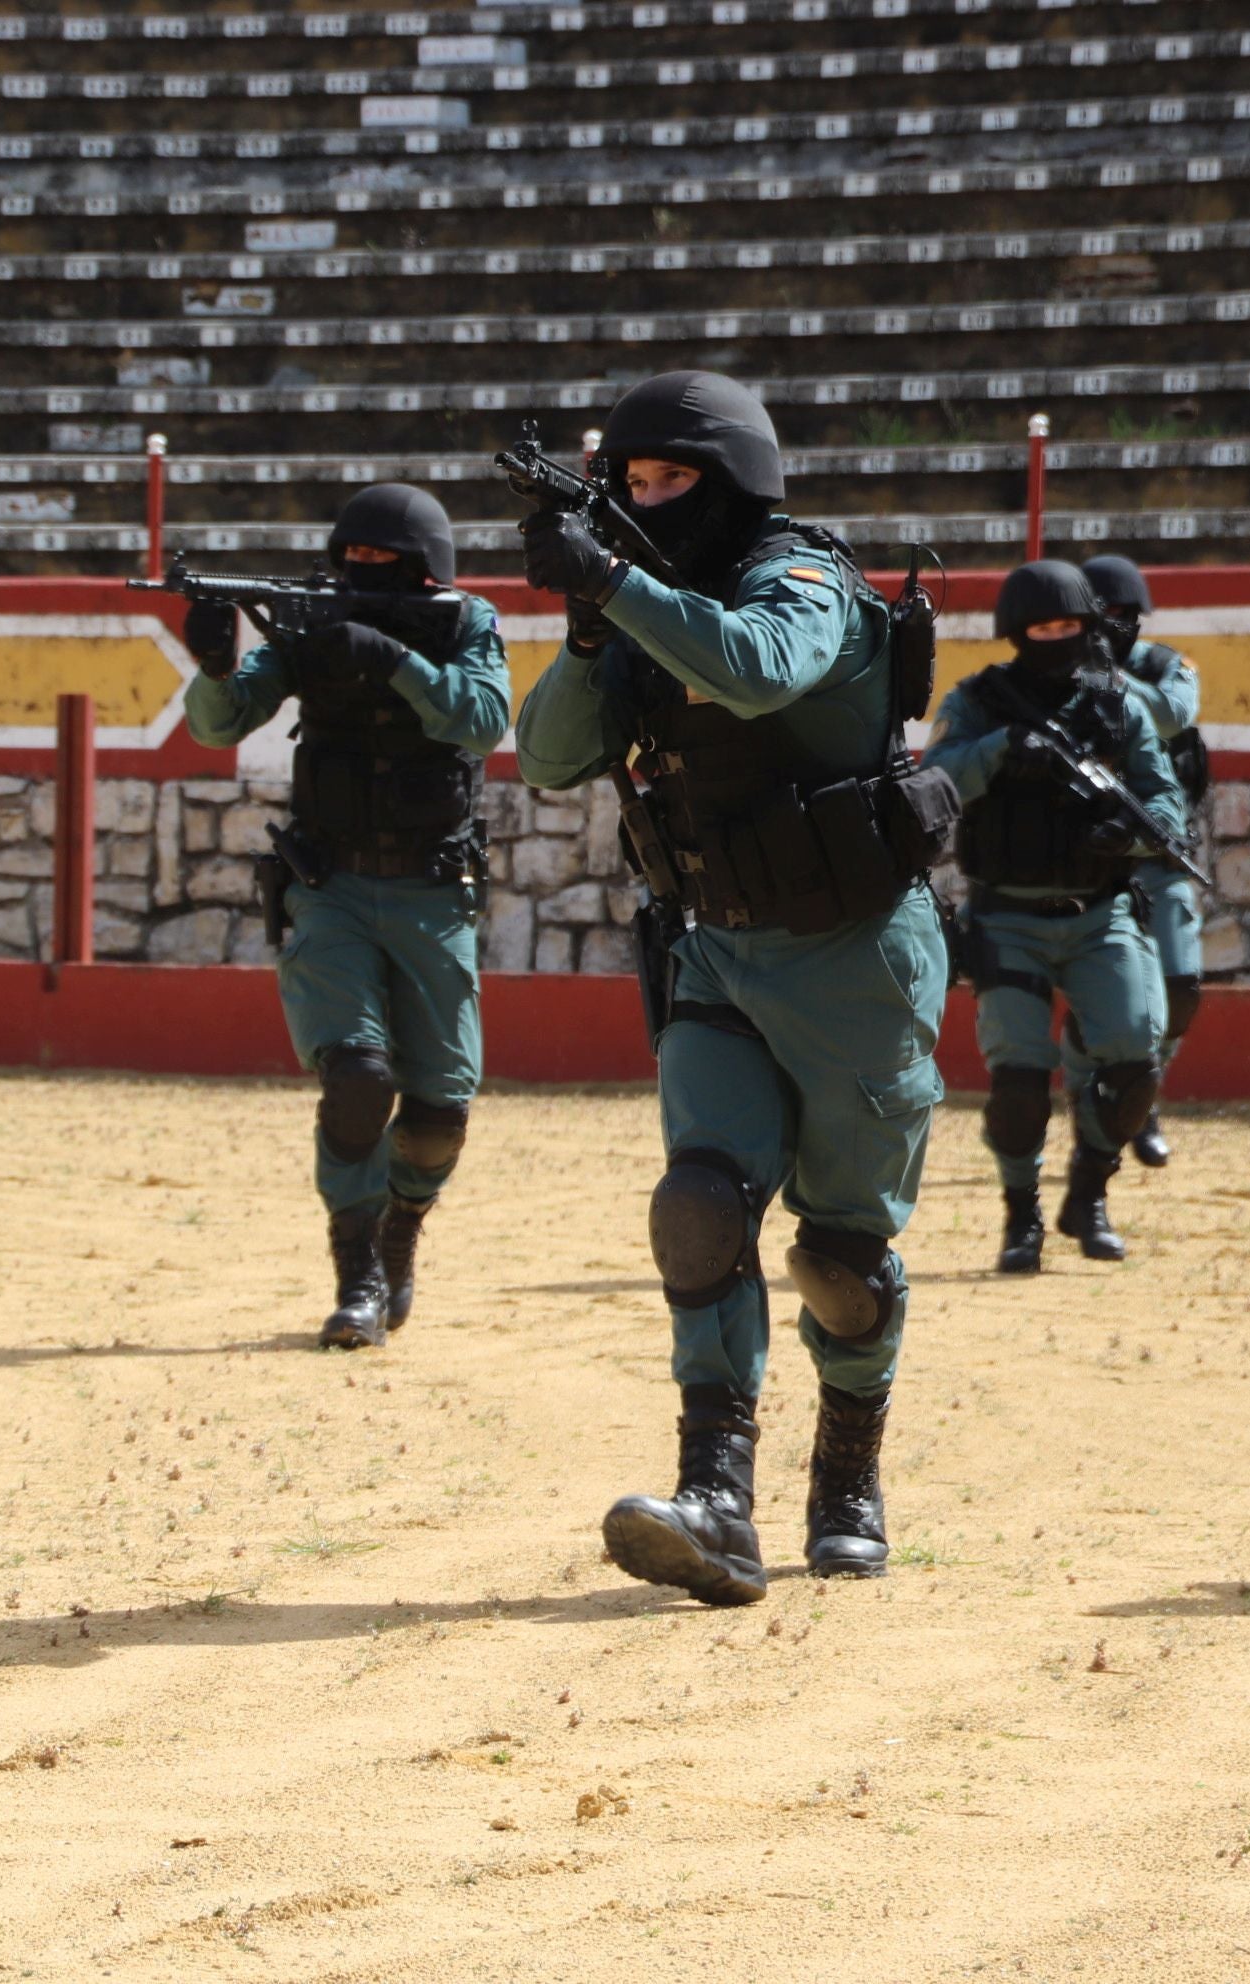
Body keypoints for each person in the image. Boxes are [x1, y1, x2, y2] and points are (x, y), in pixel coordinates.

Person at [514, 371, 955, 1597]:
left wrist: (614, 581)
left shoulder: (801, 576)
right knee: (701, 1206)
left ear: (734, 481)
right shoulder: (646, 609)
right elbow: (547, 757)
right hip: (713, 943)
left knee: (841, 1260)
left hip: (856, 956)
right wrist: (593, 631)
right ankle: (716, 1496)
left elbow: (764, 669)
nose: (646, 501)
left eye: (669, 482)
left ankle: (848, 1473)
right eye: (631, 483)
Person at [178, 484, 510, 1349]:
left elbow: (482, 720)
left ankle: (402, 1227)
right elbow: (220, 727)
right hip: (328, 887)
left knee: (439, 1110)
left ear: (424, 571)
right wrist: (215, 668)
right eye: (350, 559)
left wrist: (391, 658)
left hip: (433, 892)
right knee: (358, 1078)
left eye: (380, 563)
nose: (358, 573)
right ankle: (358, 1272)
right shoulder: (312, 623)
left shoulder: (467, 622)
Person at [926, 559, 1187, 1274]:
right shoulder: (979, 700)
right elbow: (936, 777)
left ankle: (1090, 1194)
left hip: (1102, 913)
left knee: (1135, 1060)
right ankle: (1022, 1218)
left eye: (1069, 626)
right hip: (1007, 917)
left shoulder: (1120, 706)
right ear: (1017, 632)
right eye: (1042, 628)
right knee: (1018, 1081)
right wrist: (1005, 750)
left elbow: (1164, 802)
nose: (1057, 638)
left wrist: (1126, 835)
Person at [1078, 554, 1205, 1166]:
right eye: (1105, 614)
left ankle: (1144, 1092)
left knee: (1181, 986)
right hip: (1094, 856)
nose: (1116, 624)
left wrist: (1114, 681)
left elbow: (1174, 714)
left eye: (1127, 615)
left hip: (1158, 847)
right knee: (1099, 995)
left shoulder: (1165, 667)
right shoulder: (1059, 673)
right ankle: (1104, 1108)